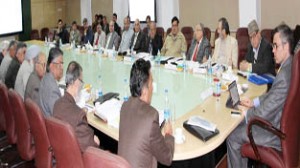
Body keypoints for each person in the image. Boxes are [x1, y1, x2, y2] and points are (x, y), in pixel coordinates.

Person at [226, 24, 294, 168]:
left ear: (286, 46)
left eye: (276, 46)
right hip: (277, 122)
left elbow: (264, 113)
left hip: (273, 131)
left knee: (232, 137)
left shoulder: (284, 76)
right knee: (239, 123)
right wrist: (254, 102)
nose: (273, 50)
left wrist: (246, 113)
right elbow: (273, 96)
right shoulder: (290, 66)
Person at [118, 58, 174, 168]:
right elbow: (167, 158)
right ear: (144, 89)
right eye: (151, 82)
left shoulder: (125, 106)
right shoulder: (151, 116)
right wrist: (168, 135)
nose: (153, 87)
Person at [53, 61, 99, 152]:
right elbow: (90, 149)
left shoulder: (57, 104)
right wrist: (96, 141)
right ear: (77, 82)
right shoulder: (79, 115)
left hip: (62, 156)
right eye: (81, 81)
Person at [39, 47, 64, 117]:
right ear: (52, 65)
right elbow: (60, 116)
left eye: (62, 64)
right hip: (52, 125)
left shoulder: (45, 77)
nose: (62, 68)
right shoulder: (52, 89)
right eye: (60, 64)